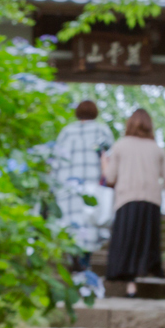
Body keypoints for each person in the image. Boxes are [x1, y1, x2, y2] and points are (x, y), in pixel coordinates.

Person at [101, 107, 165, 296]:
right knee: (147, 241)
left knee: (127, 241)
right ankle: (150, 277)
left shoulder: (120, 146)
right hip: (152, 201)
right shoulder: (157, 149)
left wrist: (104, 163)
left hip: (127, 200)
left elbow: (110, 178)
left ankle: (130, 284)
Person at [48, 99, 112, 270]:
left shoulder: (66, 132)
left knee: (70, 226)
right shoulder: (101, 131)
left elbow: (56, 160)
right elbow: (108, 159)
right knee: (90, 226)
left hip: (67, 187)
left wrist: (52, 186)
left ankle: (74, 263)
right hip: (92, 187)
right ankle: (84, 264)